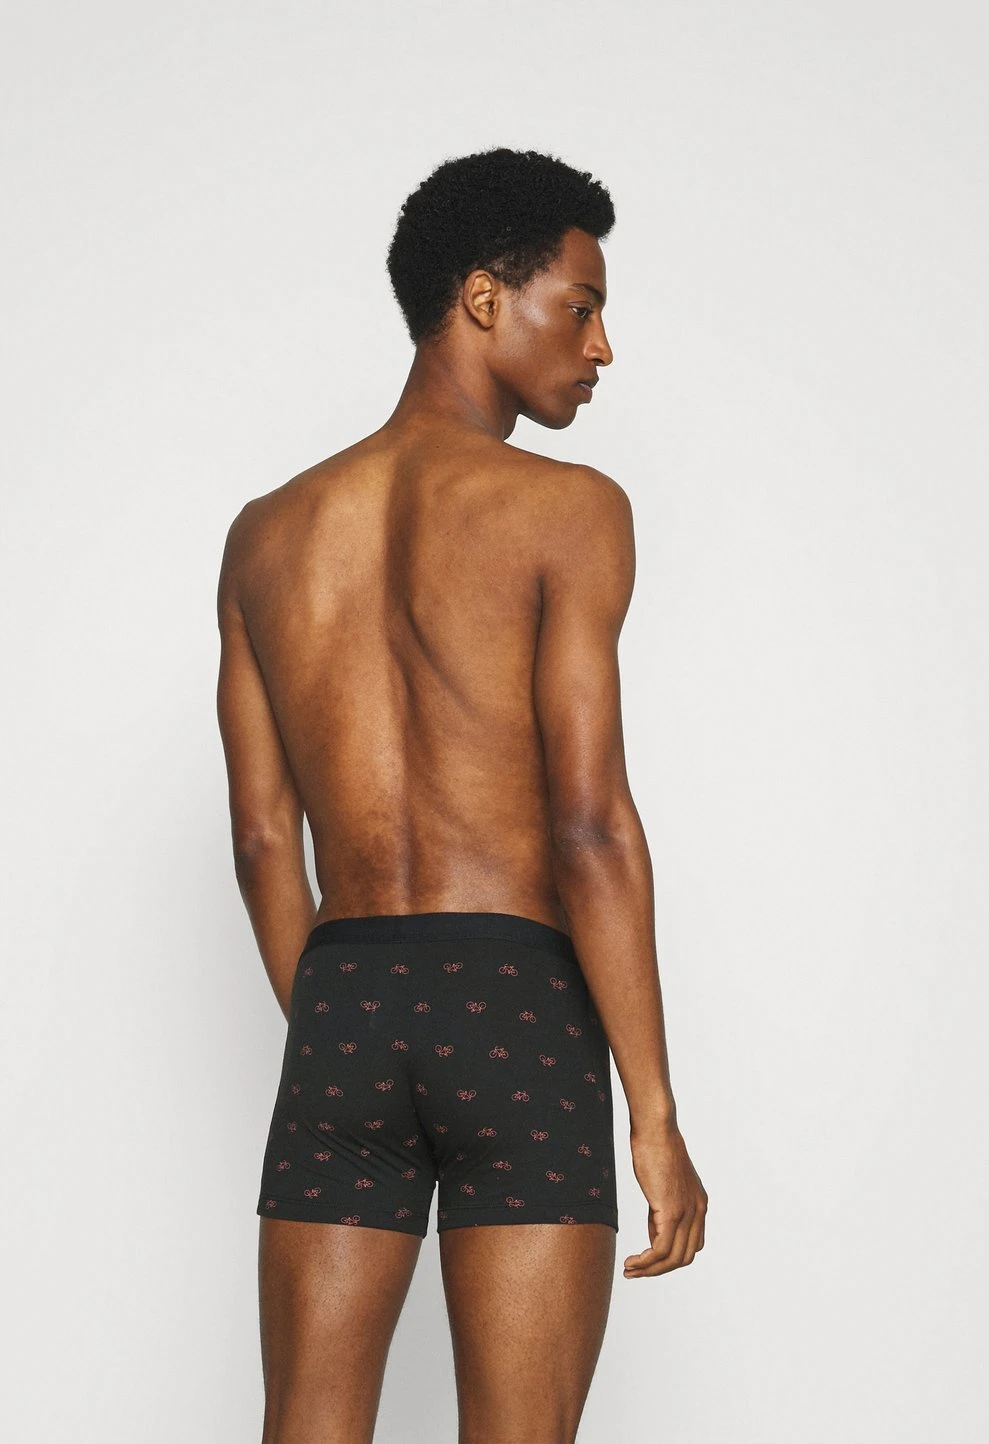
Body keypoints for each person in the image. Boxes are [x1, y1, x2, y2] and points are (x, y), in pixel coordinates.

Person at [216, 146, 708, 1444]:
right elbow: (590, 822)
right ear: (484, 297)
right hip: (512, 1001)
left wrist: (346, 1023)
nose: (601, 348)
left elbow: (262, 838)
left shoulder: (267, 532)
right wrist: (654, 1114)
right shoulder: (570, 510)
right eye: (580, 307)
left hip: (343, 1000)